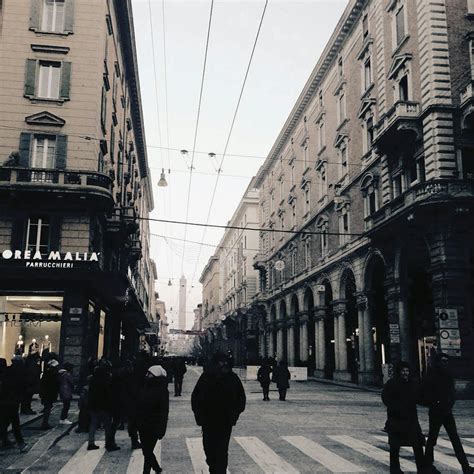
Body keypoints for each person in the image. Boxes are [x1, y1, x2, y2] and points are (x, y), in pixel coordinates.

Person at [191, 352, 246, 474]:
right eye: (221, 361)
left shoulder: (233, 378)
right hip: (208, 420)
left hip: (225, 421)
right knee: (209, 449)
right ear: (216, 363)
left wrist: (234, 415)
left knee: (222, 450)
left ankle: (219, 471)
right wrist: (199, 416)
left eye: (226, 361)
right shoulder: (206, 377)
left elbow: (241, 399)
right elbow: (195, 398)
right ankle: (213, 466)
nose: (224, 363)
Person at [422, 353, 473, 473]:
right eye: (443, 361)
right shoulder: (431, 376)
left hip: (447, 411)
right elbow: (422, 394)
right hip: (436, 412)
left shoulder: (448, 375)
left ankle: (465, 466)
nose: (445, 363)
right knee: (432, 439)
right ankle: (427, 466)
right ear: (438, 362)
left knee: (455, 439)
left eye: (446, 361)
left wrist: (450, 403)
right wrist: (435, 402)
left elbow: (451, 392)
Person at [382, 361, 425, 473]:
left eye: (407, 371)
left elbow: (419, 398)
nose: (405, 373)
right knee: (395, 447)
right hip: (396, 419)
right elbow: (386, 398)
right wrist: (396, 408)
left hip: (411, 419)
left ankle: (421, 469)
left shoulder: (412, 383)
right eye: (403, 371)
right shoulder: (392, 384)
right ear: (399, 372)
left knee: (418, 445)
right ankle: (395, 469)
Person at [136, 365, 169, 473]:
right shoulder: (144, 386)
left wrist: (162, 428)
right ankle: (156, 467)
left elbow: (164, 411)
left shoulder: (162, 390)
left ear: (154, 375)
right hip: (142, 424)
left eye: (149, 373)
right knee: (146, 451)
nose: (146, 375)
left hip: (154, 425)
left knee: (148, 451)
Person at [87, 361, 119, 451]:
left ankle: (91, 442)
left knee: (93, 424)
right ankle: (108, 443)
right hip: (104, 406)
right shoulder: (106, 381)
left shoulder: (92, 380)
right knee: (107, 426)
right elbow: (108, 395)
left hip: (93, 405)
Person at [0, 356, 28, 451]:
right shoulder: (20, 373)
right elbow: (23, 387)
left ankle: (5, 440)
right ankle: (21, 443)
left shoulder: (6, 371)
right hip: (13, 401)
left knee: (4, 422)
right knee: (15, 422)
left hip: (3, 400)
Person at [39, 358, 60, 430]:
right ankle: (44, 423)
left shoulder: (46, 373)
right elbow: (55, 384)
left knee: (47, 407)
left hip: (45, 393)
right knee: (48, 408)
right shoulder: (54, 374)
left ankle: (45, 423)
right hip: (50, 393)